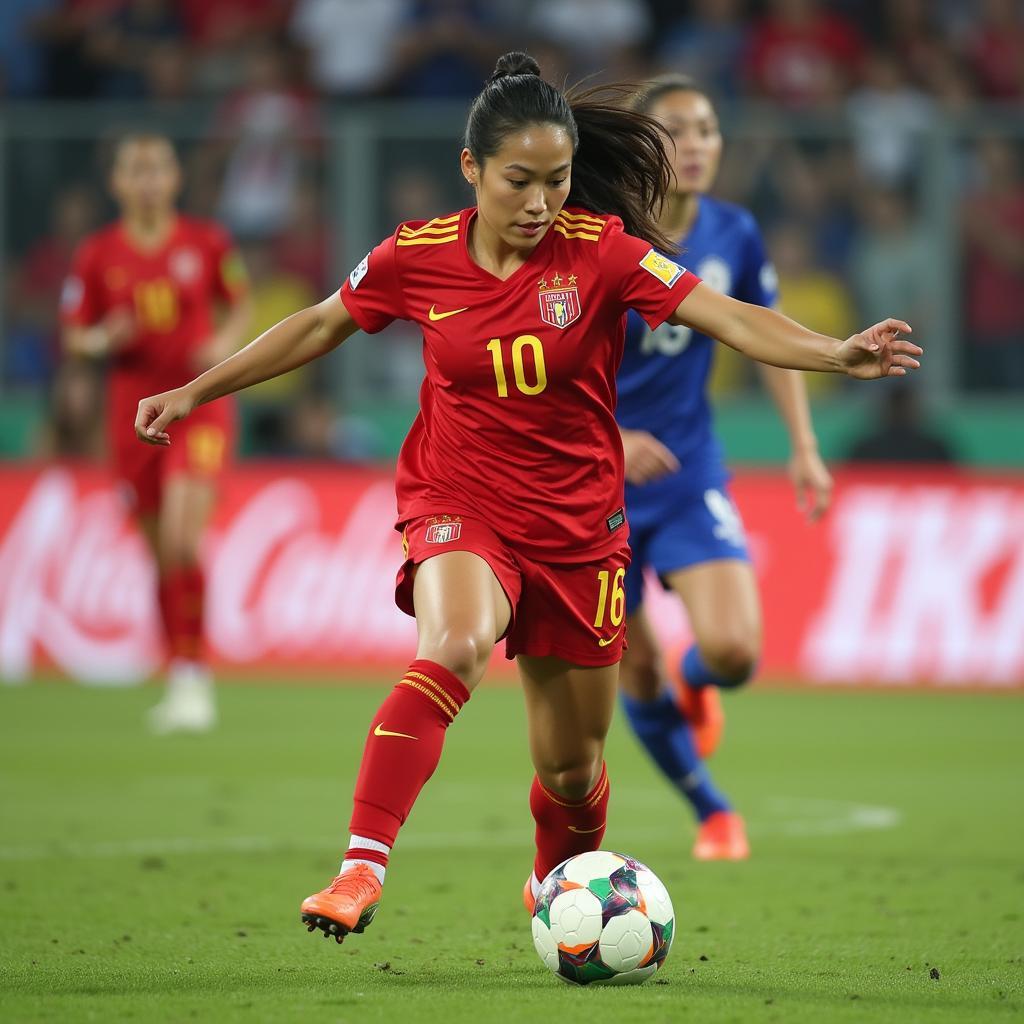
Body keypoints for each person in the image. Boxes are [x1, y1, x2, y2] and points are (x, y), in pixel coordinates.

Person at [133, 53, 920, 945]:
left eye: (558, 179)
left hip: (580, 528)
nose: (541, 200)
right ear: (471, 169)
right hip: (459, 497)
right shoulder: (415, 256)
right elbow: (317, 324)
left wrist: (835, 354)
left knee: (574, 769)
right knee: (457, 642)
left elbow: (728, 315)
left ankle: (556, 886)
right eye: (520, 180)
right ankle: (360, 867)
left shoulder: (604, 253)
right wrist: (197, 390)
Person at [615, 76, 836, 862]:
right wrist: (610, 439)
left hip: (685, 471)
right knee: (630, 664)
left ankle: (698, 680)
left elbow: (758, 334)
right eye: (677, 130)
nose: (699, 143)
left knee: (737, 652)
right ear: (642, 146)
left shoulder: (733, 233)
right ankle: (712, 809)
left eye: (708, 128)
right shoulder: (602, 237)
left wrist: (803, 444)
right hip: (591, 478)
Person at [61, 134, 251, 733]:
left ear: (175, 179)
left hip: (196, 401)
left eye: (157, 168)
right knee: (156, 551)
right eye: (135, 170)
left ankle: (195, 676)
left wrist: (222, 344)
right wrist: (100, 341)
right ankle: (179, 673)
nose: (147, 180)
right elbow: (74, 333)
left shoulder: (207, 242)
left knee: (180, 540)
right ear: (117, 183)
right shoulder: (97, 254)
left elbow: (240, 305)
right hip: (130, 411)